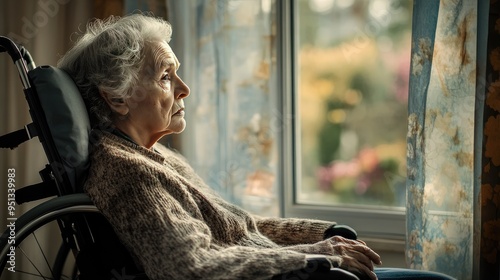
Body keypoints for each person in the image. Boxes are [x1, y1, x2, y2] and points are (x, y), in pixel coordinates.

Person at [57, 13, 455, 280]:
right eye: (166, 76)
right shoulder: (127, 173)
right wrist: (319, 255)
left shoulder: (156, 155)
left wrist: (321, 234)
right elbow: (192, 268)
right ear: (117, 96)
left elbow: (240, 229)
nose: (185, 89)